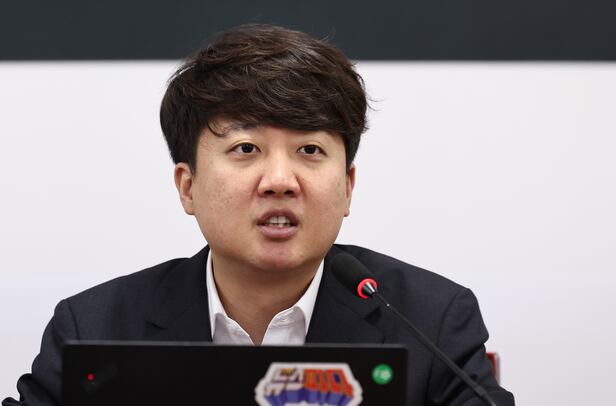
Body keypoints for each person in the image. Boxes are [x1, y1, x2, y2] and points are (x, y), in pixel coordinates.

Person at [3, 24, 515, 405]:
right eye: (245, 149)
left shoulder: (431, 322)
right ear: (188, 186)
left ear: (347, 187)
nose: (280, 180)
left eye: (310, 150)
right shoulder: (95, 328)